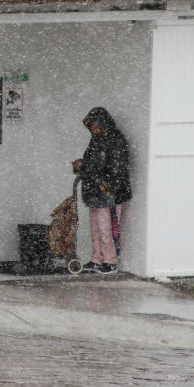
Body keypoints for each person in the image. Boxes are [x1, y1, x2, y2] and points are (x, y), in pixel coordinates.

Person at [73, 107, 132, 275]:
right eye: (91, 126)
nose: (94, 129)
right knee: (96, 228)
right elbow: (96, 164)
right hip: (96, 191)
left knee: (106, 228)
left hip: (108, 192)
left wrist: (88, 169)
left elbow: (115, 168)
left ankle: (109, 261)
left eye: (95, 125)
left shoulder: (115, 140)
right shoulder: (97, 140)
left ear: (103, 123)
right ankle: (97, 259)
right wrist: (83, 166)